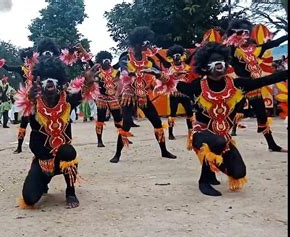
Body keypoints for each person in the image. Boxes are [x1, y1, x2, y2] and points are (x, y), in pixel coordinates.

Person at [158, 42, 287, 196]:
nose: (219, 64)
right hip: (202, 134)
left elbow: (264, 81)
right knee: (217, 141)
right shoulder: (197, 86)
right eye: (214, 61)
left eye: (222, 61)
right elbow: (175, 85)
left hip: (223, 137)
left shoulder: (237, 84)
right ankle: (204, 180)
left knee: (239, 172)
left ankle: (213, 168)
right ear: (205, 67)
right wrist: (160, 75)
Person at [17, 54, 98, 209]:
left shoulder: (67, 101)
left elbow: (83, 93)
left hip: (63, 158)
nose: (49, 81)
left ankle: (70, 191)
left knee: (68, 151)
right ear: (39, 84)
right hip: (43, 161)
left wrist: (88, 81)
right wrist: (30, 97)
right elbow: (33, 137)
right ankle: (44, 180)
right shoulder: (33, 105)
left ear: (59, 82)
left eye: (53, 78)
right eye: (45, 78)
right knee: (29, 199)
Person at [114, 26, 177, 162]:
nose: (148, 45)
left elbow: (162, 74)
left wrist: (157, 73)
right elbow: (125, 71)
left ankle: (164, 151)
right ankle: (117, 154)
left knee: (157, 122)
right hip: (129, 96)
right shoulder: (126, 57)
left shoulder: (148, 60)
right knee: (127, 124)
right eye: (145, 42)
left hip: (143, 96)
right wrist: (133, 72)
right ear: (137, 43)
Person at [225, 19, 288, 152]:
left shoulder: (255, 50)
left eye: (248, 34)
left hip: (254, 86)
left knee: (260, 115)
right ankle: (221, 139)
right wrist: (234, 34)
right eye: (243, 34)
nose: (246, 37)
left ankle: (271, 145)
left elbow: (274, 43)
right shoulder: (234, 51)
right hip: (241, 86)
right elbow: (230, 45)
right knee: (233, 113)